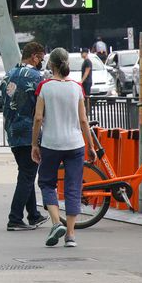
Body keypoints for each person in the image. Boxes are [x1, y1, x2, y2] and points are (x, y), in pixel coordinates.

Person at [33, 47, 97, 248]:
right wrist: (91, 146)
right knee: (73, 187)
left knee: (46, 183)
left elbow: (37, 118)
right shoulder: (77, 87)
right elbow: (84, 120)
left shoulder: (45, 87)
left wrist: (34, 143)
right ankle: (70, 235)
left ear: (51, 64)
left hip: (51, 143)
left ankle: (55, 223)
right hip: (75, 144)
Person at [2, 42, 49, 231]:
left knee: (25, 173)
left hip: (12, 132)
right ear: (35, 57)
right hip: (30, 133)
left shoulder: (8, 75)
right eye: (41, 59)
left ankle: (34, 215)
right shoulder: (38, 78)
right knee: (27, 176)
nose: (42, 63)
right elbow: (42, 108)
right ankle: (14, 218)